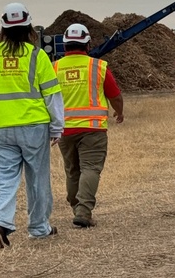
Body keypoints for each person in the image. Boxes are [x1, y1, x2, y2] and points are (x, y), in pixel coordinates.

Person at [0, 3, 63, 249]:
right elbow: (52, 95)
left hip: (0, 126)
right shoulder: (37, 56)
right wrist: (57, 127)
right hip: (33, 125)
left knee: (5, 176)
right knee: (37, 177)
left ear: (2, 28)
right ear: (29, 27)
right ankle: (38, 228)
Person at [53, 23, 124, 228]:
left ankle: (76, 207)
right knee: (90, 168)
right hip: (93, 129)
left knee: (72, 170)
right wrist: (119, 112)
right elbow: (115, 95)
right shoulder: (98, 66)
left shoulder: (54, 67)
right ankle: (83, 211)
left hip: (64, 130)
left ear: (65, 44)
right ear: (87, 43)